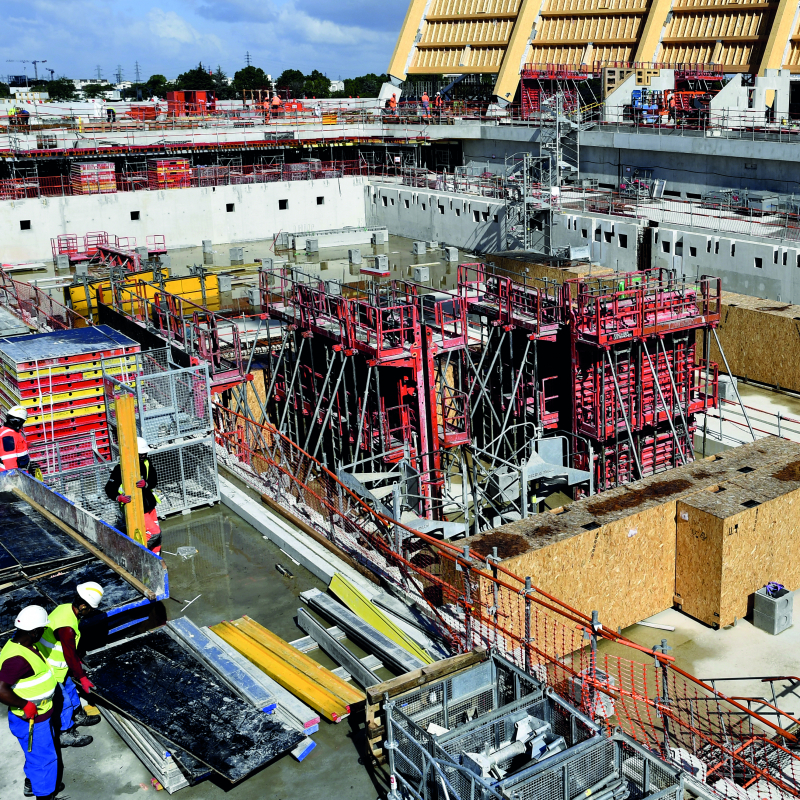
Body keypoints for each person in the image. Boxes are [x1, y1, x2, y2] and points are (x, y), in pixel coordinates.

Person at [0, 605, 64, 800]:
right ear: (35, 631)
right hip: (32, 719)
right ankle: (44, 795)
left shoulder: (22, 645)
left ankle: (33, 783)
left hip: (38, 715)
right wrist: (24, 704)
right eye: (43, 629)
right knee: (44, 759)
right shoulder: (17, 659)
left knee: (35, 754)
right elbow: (0, 690)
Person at [38, 583, 103, 751]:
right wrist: (81, 676)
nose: (92, 612)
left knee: (71, 690)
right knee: (63, 700)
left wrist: (76, 665)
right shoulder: (66, 628)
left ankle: (78, 716)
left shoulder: (65, 608)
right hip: (51, 667)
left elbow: (71, 651)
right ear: (82, 606)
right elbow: (69, 654)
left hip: (62, 666)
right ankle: (65, 733)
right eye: (91, 609)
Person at [104, 437, 161, 554]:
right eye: (141, 454)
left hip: (149, 505)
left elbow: (154, 480)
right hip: (136, 508)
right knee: (154, 533)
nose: (144, 456)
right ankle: (137, 553)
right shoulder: (120, 468)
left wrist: (147, 484)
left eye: (145, 453)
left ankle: (156, 555)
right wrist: (118, 497)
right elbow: (109, 488)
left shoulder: (146, 463)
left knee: (158, 535)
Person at [0, 405, 30, 472]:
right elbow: (9, 461)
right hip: (9, 477)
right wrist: (16, 478)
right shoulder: (9, 437)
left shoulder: (4, 431)